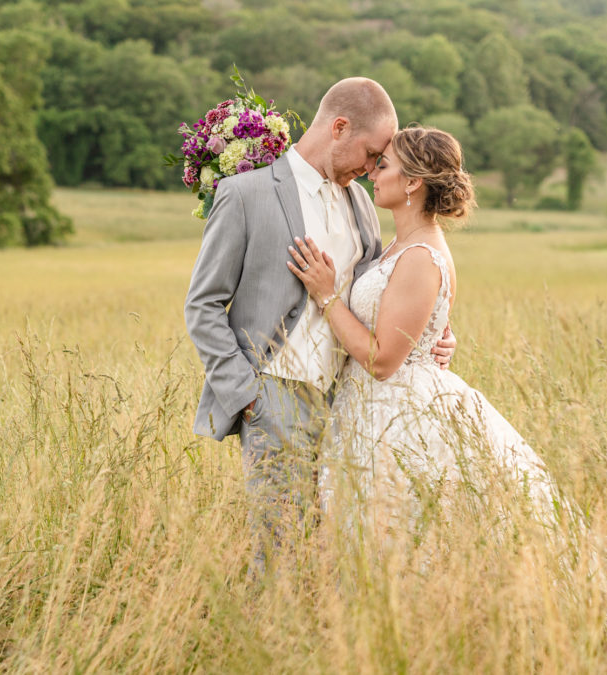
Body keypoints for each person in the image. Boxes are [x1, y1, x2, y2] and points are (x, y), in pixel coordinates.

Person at [286, 126, 607, 663]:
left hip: (400, 413)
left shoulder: (423, 256)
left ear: (415, 183)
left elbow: (382, 360)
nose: (375, 171)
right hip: (373, 412)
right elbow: (410, 331)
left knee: (412, 535)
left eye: (386, 165)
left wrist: (327, 294)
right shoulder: (399, 245)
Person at [184, 79, 456, 576]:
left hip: (351, 407)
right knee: (279, 549)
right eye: (372, 153)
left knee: (332, 553)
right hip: (275, 397)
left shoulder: (363, 206)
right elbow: (203, 304)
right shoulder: (245, 194)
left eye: (381, 162)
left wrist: (431, 335)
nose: (373, 168)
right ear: (338, 128)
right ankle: (266, 645)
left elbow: (386, 293)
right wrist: (247, 396)